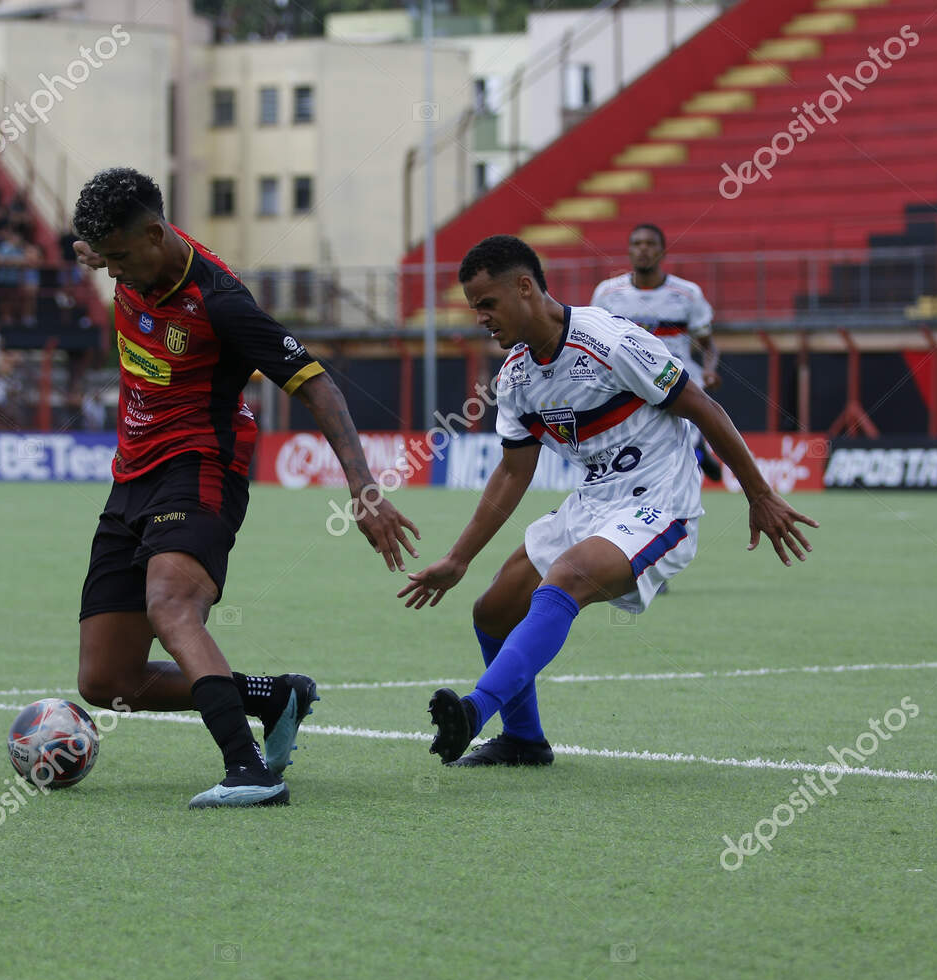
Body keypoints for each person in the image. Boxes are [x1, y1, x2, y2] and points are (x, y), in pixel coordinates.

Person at [69, 167, 418, 808]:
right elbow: (101, 250)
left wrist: (363, 488)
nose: (113, 272)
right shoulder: (129, 255)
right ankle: (275, 696)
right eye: (104, 258)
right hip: (131, 479)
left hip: (201, 468)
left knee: (172, 607)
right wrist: (94, 251)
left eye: (119, 258)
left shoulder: (221, 302)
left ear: (155, 235)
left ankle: (250, 771)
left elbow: (318, 385)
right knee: (106, 680)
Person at [399, 236, 816, 766]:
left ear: (524, 288)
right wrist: (459, 559)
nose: (480, 318)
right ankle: (524, 741)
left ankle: (475, 711)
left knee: (567, 576)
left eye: (487, 304)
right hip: (595, 500)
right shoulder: (515, 377)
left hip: (660, 501)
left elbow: (703, 408)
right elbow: (512, 471)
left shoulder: (610, 341)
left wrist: (759, 494)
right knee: (493, 610)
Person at [591, 223, 725, 485]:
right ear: (629, 251)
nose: (643, 249)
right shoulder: (607, 294)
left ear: (663, 252)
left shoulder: (687, 294)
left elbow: (708, 345)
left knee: (679, 449)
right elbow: (596, 342)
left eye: (650, 244)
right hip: (629, 382)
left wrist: (709, 370)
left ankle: (696, 449)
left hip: (676, 379)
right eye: (637, 244)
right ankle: (697, 450)